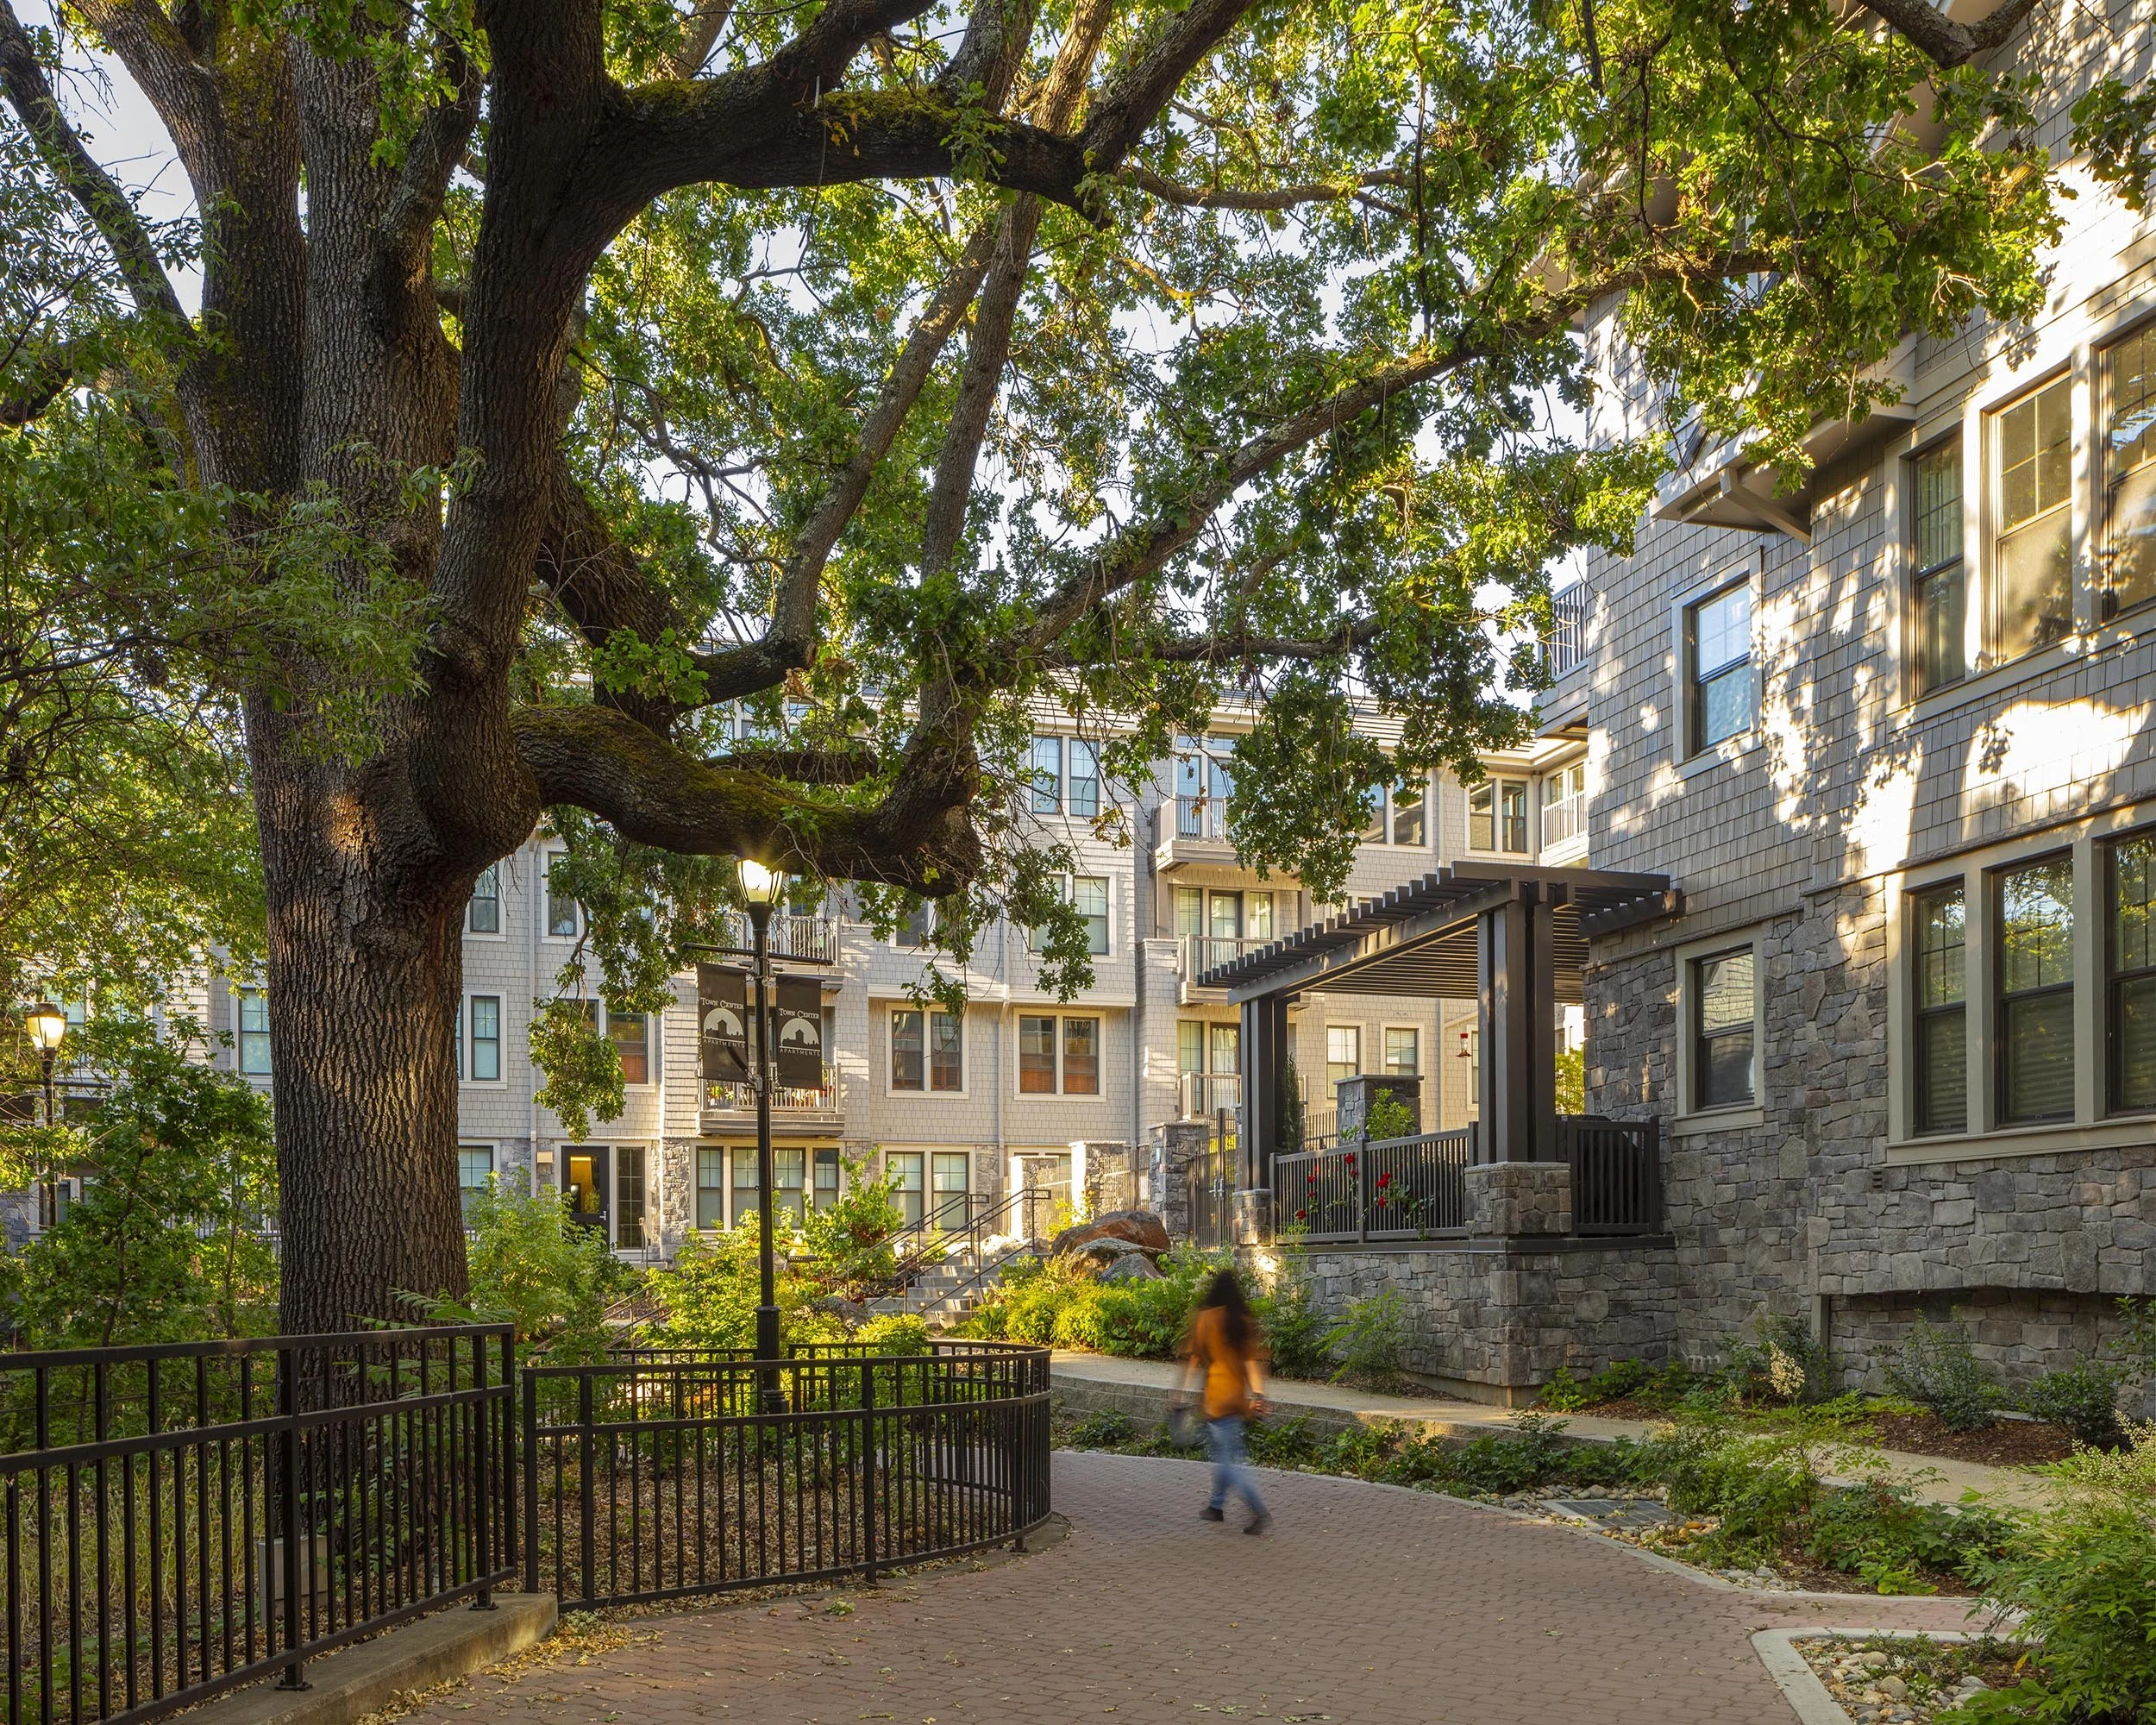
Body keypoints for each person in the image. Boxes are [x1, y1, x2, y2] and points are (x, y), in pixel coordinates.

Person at [1175, 1268, 1271, 1534]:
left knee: (1229, 1460)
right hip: (1238, 1399)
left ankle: (1258, 1508)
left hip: (1216, 1398)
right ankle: (1216, 1506)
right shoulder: (1243, 1321)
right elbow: (1251, 1362)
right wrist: (1259, 1395)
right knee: (1224, 1452)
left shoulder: (1207, 1319)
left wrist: (1179, 1393)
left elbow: (1193, 1359)